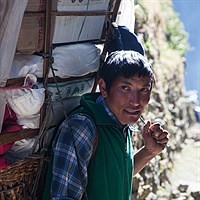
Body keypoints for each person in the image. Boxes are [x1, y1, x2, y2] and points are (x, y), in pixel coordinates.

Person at [50, 50, 169, 200]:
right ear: (104, 88)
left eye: (143, 90)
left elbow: (116, 176)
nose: (136, 101)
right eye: (125, 88)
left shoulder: (120, 125)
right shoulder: (82, 127)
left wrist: (149, 152)